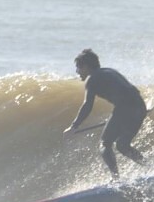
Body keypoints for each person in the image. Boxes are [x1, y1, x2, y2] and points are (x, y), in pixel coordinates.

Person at [63, 49, 147, 178]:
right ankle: (148, 165)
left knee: (105, 144)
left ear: (85, 67)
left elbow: (87, 105)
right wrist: (137, 109)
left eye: (78, 68)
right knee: (122, 145)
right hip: (140, 106)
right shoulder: (110, 71)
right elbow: (130, 91)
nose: (77, 72)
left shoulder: (92, 80)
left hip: (125, 109)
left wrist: (74, 126)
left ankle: (116, 178)